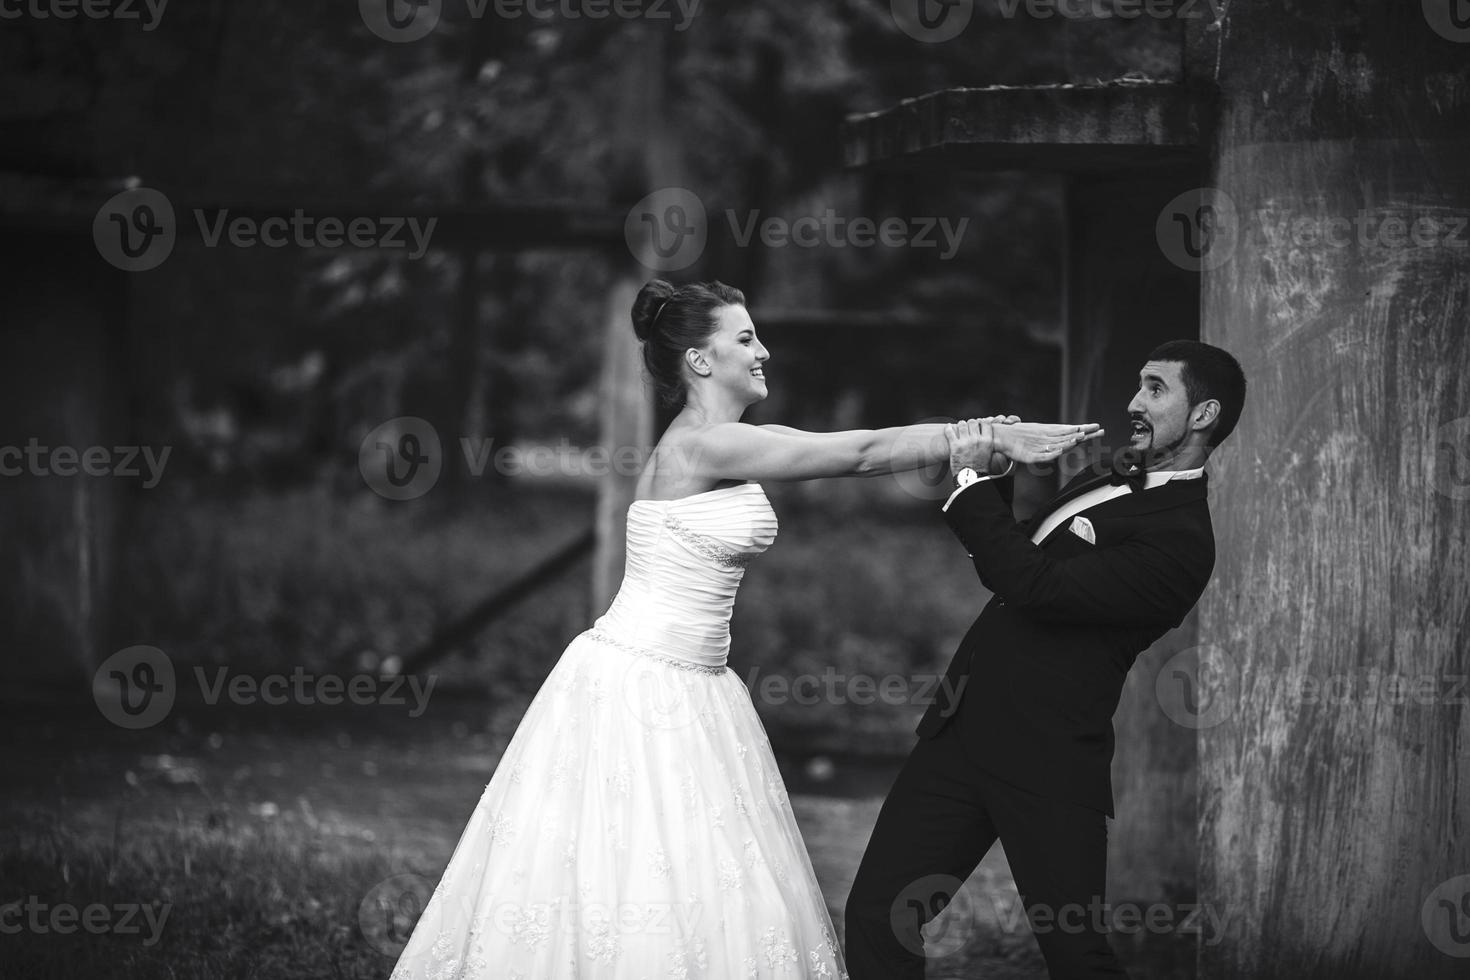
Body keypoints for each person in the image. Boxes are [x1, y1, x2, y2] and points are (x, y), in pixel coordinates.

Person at [389, 279, 1101, 979]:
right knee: (634, 863)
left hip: (698, 683)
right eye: (744, 337)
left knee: (700, 869)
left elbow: (864, 444)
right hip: (643, 680)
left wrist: (982, 436)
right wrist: (994, 434)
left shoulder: (735, 439)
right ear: (700, 360)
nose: (763, 350)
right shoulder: (701, 449)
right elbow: (859, 455)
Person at [844, 340, 1246, 979]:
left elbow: (1035, 588)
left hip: (1048, 759)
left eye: (1156, 388)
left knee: (1076, 955)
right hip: (962, 735)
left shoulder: (1183, 542)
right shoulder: (1112, 473)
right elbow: (1021, 552)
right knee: (877, 914)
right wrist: (999, 475)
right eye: (1139, 385)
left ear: (1204, 415)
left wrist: (973, 479)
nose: (1134, 402)